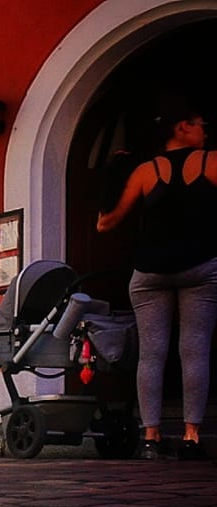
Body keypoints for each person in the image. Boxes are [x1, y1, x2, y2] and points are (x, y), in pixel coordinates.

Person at [97, 93, 217, 461]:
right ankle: (191, 437)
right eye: (202, 125)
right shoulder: (212, 162)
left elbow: (106, 223)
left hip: (149, 272)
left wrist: (113, 174)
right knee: (194, 350)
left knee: (151, 355)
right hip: (199, 267)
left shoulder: (146, 170)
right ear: (183, 127)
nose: (206, 132)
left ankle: (150, 438)